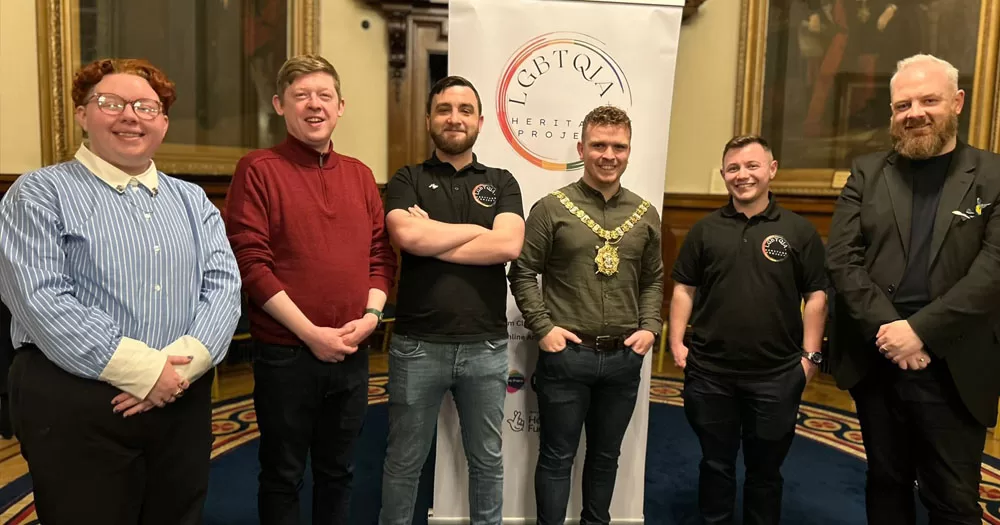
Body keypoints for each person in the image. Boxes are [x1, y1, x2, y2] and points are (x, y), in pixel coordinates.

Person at [0, 58, 242, 525]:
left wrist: (179, 369)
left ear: (163, 123)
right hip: (78, 400)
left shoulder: (192, 201)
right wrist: (143, 370)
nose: (130, 116)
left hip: (182, 395)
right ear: (82, 114)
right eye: (111, 103)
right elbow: (39, 298)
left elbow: (224, 286)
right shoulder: (37, 194)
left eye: (146, 107)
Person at [826, 53, 1000, 524]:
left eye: (928, 100)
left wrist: (920, 332)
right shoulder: (866, 173)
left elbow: (993, 271)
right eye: (903, 105)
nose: (914, 113)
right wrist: (892, 331)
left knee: (953, 499)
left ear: (958, 102)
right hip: (878, 359)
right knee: (886, 483)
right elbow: (841, 258)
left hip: (955, 364)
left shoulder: (993, 176)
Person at [224, 54, 397, 525]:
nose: (314, 105)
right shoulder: (258, 169)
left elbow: (380, 256)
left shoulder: (360, 175)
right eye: (302, 96)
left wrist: (370, 319)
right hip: (286, 354)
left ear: (341, 106)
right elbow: (251, 264)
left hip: (352, 350)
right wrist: (311, 333)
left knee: (339, 471)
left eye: (324, 96)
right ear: (280, 105)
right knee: (282, 474)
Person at [379, 75, 524, 525]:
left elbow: (507, 247)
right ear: (429, 119)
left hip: (486, 347)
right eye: (444, 109)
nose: (454, 118)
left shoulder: (501, 181)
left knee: (487, 461)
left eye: (464, 110)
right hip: (417, 345)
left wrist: (434, 236)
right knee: (403, 462)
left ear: (480, 120)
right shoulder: (408, 178)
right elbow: (405, 235)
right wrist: (480, 231)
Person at [508, 105, 662, 525]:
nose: (608, 155)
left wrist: (651, 327)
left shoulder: (646, 214)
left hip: (623, 359)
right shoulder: (551, 209)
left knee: (606, 457)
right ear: (581, 148)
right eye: (598, 145)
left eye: (618, 146)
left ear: (630, 151)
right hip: (567, 357)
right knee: (557, 458)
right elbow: (522, 272)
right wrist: (543, 329)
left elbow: (653, 280)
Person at [669, 136, 829, 525]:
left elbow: (817, 296)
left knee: (765, 473)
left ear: (771, 170)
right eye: (734, 168)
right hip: (710, 374)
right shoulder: (704, 230)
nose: (743, 175)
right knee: (715, 465)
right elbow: (684, 289)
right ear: (724, 174)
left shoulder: (799, 231)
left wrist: (810, 357)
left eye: (752, 166)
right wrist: (676, 342)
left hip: (776, 376)